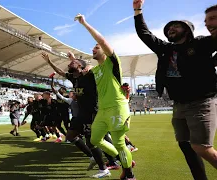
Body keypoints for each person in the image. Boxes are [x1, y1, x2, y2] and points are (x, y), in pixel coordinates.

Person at [133, 0, 217, 178]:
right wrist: (137, 11)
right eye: (169, 27)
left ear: (187, 30)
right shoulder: (165, 49)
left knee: (201, 147)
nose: (170, 29)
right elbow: (145, 34)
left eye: (176, 26)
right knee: (186, 145)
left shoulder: (201, 44)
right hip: (178, 105)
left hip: (201, 102)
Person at [42, 52, 122, 178]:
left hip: (93, 112)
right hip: (81, 113)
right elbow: (61, 72)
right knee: (70, 135)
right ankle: (93, 157)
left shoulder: (90, 75)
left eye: (73, 62)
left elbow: (90, 65)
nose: (69, 64)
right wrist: (49, 62)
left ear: (80, 65)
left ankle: (105, 168)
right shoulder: (73, 77)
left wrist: (86, 66)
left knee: (93, 142)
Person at [75, 13, 136, 180]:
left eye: (96, 47)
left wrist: (84, 24)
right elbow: (79, 72)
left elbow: (103, 42)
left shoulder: (112, 62)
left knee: (119, 142)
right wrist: (74, 60)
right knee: (94, 140)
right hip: (102, 110)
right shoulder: (94, 71)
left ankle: (129, 174)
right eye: (93, 47)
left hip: (117, 107)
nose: (93, 49)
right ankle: (125, 161)